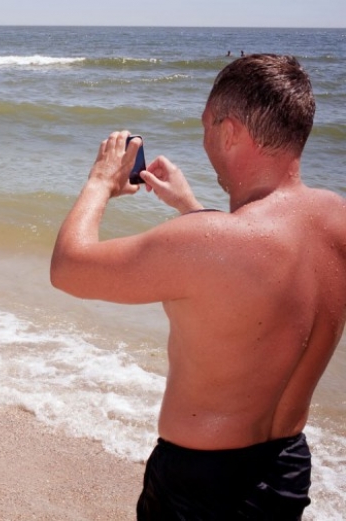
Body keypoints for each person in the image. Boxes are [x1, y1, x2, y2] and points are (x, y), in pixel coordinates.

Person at [50, 54, 346, 519]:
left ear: (229, 132)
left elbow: (68, 267)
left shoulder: (208, 241)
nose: (204, 139)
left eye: (207, 126)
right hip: (287, 471)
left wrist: (99, 183)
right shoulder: (335, 219)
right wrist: (190, 206)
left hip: (202, 486)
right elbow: (252, 267)